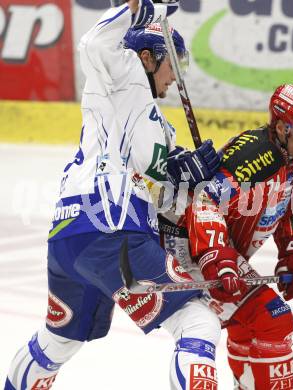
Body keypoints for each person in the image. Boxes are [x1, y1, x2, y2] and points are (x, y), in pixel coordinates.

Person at [4, 1, 222, 389]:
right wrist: (145, 11)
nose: (176, 77)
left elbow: (155, 189)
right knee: (197, 320)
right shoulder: (123, 73)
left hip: (71, 237)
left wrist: (187, 172)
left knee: (59, 341)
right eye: (174, 64)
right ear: (147, 57)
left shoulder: (159, 127)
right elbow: (93, 43)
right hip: (111, 230)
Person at [160, 82, 293, 389]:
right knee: (273, 318)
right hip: (190, 245)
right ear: (282, 128)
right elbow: (204, 201)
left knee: (248, 326)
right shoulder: (257, 155)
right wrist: (217, 255)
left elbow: (291, 213)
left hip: (223, 251)